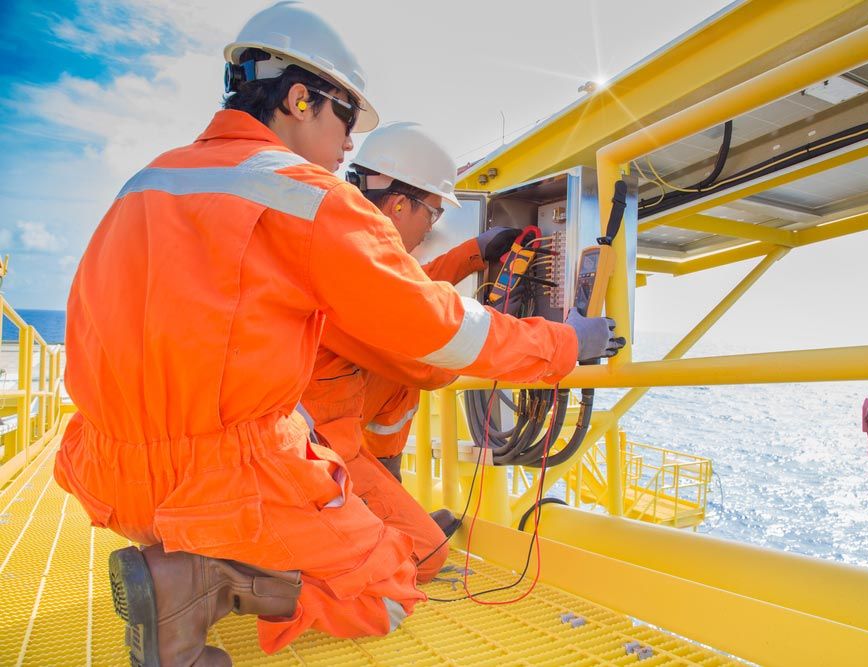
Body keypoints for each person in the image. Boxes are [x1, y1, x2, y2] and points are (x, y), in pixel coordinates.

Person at [53, 2, 624, 665]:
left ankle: (194, 567)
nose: (349, 145)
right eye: (346, 118)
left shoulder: (144, 185)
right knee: (387, 590)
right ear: (301, 98)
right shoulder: (302, 196)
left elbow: (383, 291)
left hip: (108, 473)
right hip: (229, 479)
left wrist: (471, 257)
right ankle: (204, 582)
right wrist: (563, 344)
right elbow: (431, 328)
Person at [299, 121, 522, 583]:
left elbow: (408, 297)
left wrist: (473, 253)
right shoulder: (350, 262)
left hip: (329, 439)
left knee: (418, 540)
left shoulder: (347, 242)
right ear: (400, 204)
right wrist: (559, 344)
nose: (430, 227)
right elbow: (425, 358)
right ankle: (216, 575)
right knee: (424, 556)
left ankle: (381, 520)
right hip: (313, 450)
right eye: (433, 214)